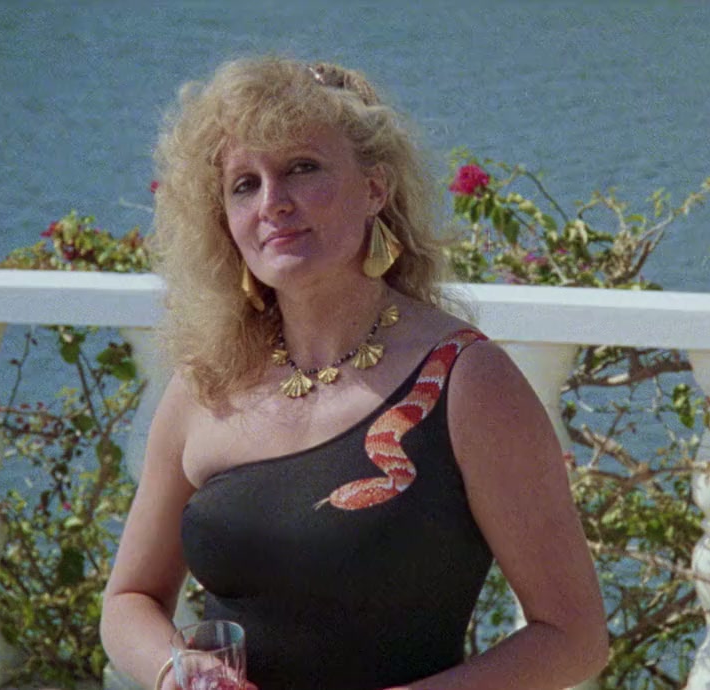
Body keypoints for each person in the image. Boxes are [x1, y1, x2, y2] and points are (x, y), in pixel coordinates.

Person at [100, 56, 608, 690]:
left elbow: (573, 637)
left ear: (375, 189)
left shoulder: (466, 381)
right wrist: (179, 670)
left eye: (302, 168)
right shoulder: (208, 382)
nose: (273, 204)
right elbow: (129, 600)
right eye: (245, 184)